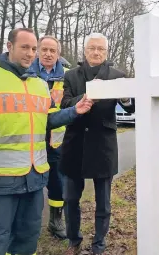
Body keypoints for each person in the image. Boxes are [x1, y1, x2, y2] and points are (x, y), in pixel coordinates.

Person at [0, 28, 94, 255]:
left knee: (27, 239)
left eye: (33, 49)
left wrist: (74, 111)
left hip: (33, 179)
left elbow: (48, 119)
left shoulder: (39, 84)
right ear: (9, 46)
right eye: (25, 47)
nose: (30, 53)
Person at [59, 32, 135, 255]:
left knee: (103, 202)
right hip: (75, 144)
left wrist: (124, 98)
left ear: (106, 52)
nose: (96, 52)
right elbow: (65, 104)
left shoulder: (118, 75)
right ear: (85, 51)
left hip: (103, 145)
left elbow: (131, 107)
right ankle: (74, 241)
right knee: (71, 199)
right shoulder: (71, 76)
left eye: (100, 49)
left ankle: (99, 245)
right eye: (92, 48)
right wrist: (84, 98)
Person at [29, 35, 68, 239]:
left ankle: (55, 220)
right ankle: (28, 225)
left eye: (52, 51)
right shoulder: (26, 73)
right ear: (37, 51)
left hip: (56, 141)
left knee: (57, 183)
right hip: (30, 139)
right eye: (44, 49)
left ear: (58, 54)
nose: (48, 54)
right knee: (30, 181)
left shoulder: (67, 76)